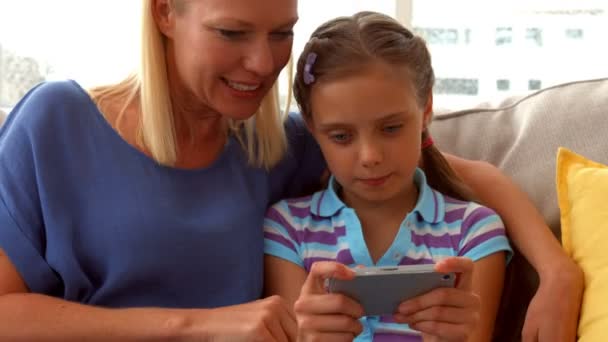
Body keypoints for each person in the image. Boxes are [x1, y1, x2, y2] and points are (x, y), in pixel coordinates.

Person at [0, 0, 582, 341]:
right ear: (164, 13)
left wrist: (558, 273)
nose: (263, 64)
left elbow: (455, 167)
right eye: (232, 32)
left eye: (281, 32)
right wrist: (196, 326)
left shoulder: (278, 144)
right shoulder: (54, 123)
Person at [263, 11, 512, 341]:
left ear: (425, 110)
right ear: (312, 128)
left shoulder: (474, 231)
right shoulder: (287, 227)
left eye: (391, 128)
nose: (370, 157)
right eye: (341, 136)